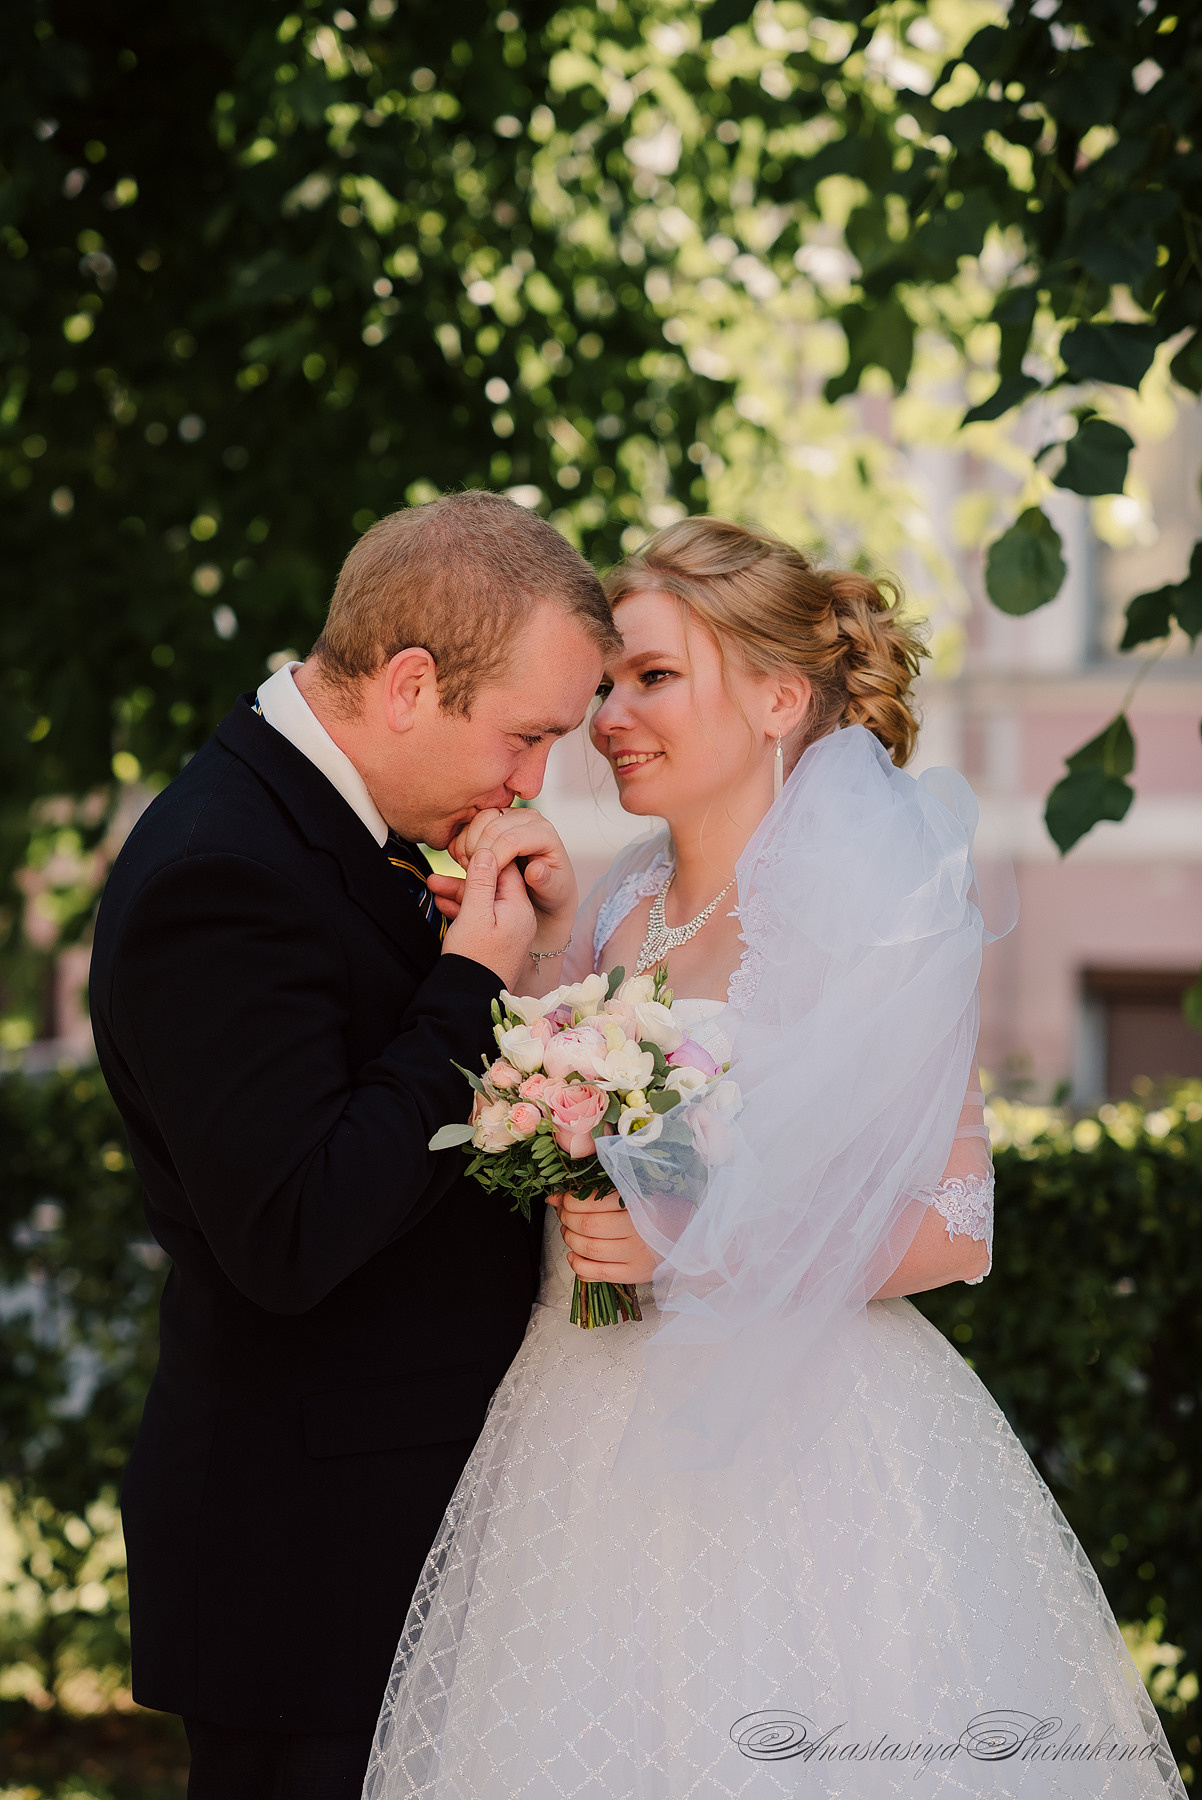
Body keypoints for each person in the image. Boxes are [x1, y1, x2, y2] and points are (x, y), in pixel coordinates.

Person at [363, 517, 1185, 1799]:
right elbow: (581, 1129)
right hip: (572, 1430)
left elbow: (954, 1221)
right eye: (605, 686)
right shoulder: (623, 896)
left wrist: (688, 1242)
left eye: (652, 677)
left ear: (777, 698)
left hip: (793, 1446)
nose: (609, 718)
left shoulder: (866, 908)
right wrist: (542, 956)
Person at [89, 491, 632, 1799]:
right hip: (309, 1577)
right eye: (526, 735)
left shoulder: (343, 836)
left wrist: (527, 966)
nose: (531, 781)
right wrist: (468, 982)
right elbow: (293, 1230)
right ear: (407, 685)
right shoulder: (221, 873)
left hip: (401, 1540)